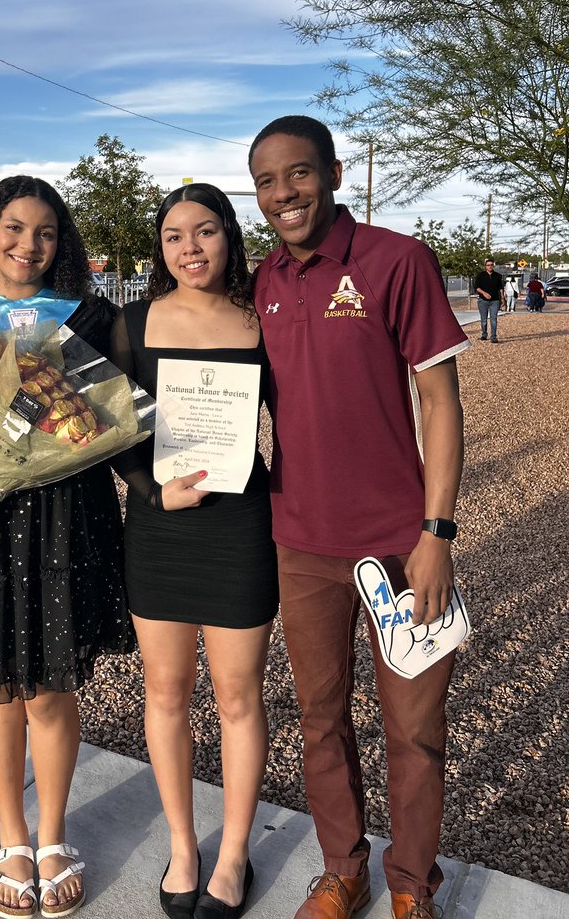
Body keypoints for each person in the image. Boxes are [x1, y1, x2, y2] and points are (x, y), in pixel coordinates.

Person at [248, 116, 469, 919]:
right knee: (320, 719)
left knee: (414, 731)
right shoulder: (262, 280)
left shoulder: (395, 260)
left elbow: (440, 406)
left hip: (400, 547)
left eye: (298, 175)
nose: (283, 194)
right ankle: (342, 869)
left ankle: (412, 885)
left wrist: (436, 534)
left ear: (335, 173)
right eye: (268, 183)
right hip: (300, 543)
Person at [0, 176, 131, 919]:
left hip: (69, 523)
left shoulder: (90, 319)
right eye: (13, 229)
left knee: (51, 689)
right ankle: (10, 837)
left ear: (60, 242)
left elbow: (113, 419)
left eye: (44, 233)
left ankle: (52, 834)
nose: (27, 246)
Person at [110, 183, 278, 919]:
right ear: (160, 249)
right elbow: (109, 434)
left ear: (229, 237)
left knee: (240, 697)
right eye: (174, 236)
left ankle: (234, 851)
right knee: (166, 693)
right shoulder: (133, 322)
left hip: (240, 528)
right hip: (161, 531)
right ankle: (184, 844)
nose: (190, 248)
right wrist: (150, 493)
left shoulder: (261, 320)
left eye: (204, 232)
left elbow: (301, 419)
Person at [473, 258, 505, 342]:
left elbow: (501, 288)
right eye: (488, 265)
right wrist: (484, 293)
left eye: (491, 265)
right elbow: (477, 287)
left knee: (493, 319)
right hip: (483, 301)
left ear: (493, 266)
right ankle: (484, 334)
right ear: (485, 266)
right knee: (484, 319)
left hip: (495, 300)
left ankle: (493, 336)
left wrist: (502, 298)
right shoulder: (480, 275)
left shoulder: (498, 276)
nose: (490, 266)